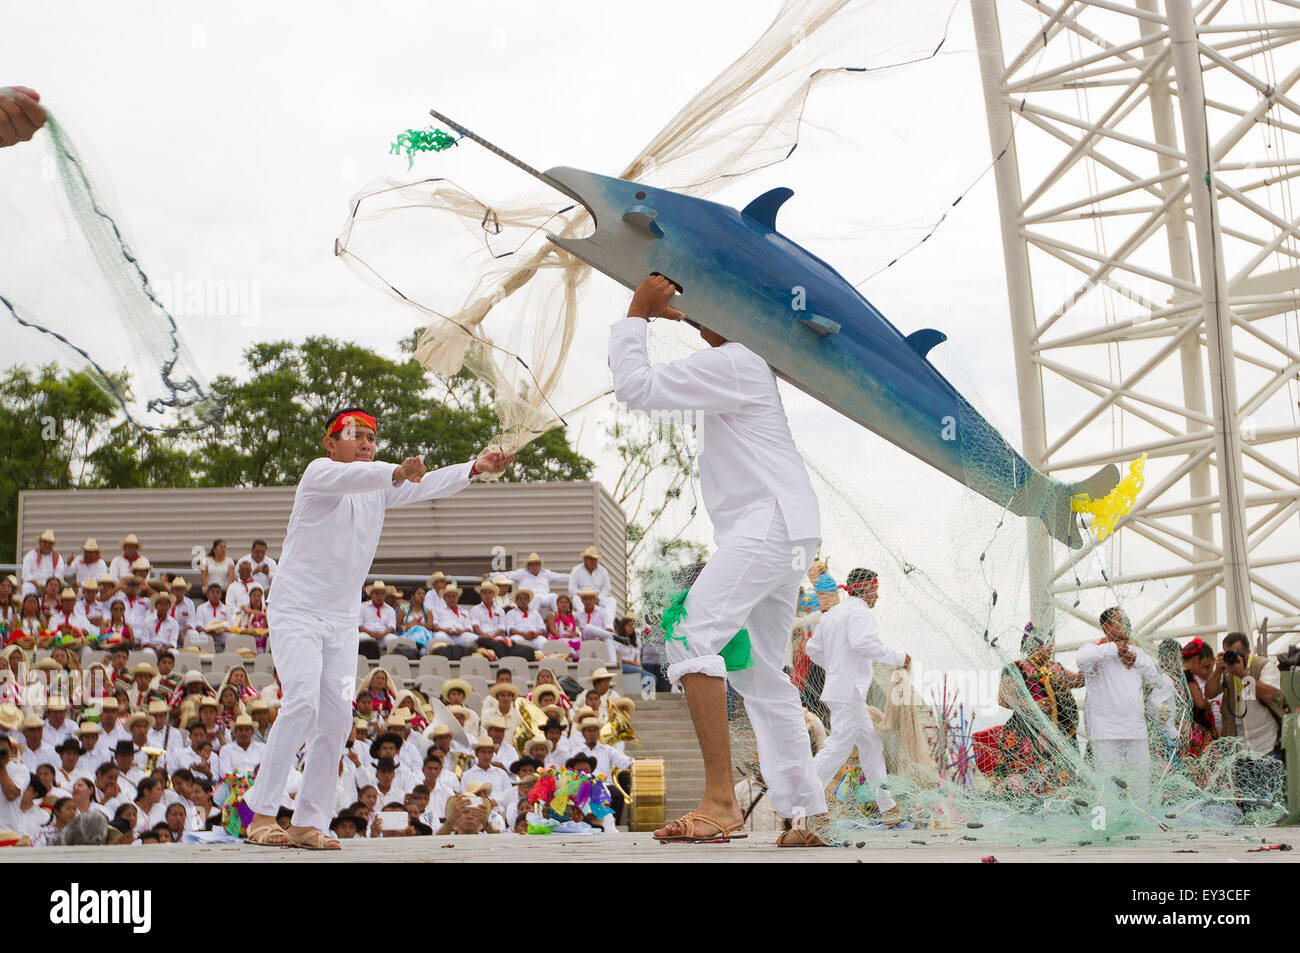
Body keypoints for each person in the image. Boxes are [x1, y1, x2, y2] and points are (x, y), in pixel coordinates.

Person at [609, 275, 825, 845]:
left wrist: (638, 313)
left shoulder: (737, 360)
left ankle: (720, 800)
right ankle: (803, 814)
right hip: (784, 529)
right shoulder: (743, 365)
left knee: (687, 636)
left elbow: (635, 387)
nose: (692, 306)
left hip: (770, 524)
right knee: (758, 671)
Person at [241, 407, 512, 850]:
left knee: (337, 716)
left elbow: (426, 484)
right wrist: (398, 470)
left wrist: (475, 468)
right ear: (330, 444)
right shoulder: (319, 474)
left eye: (371, 436)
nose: (366, 442)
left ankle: (308, 821)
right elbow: (367, 477)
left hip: (343, 618)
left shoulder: (377, 489)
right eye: (355, 435)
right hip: (296, 610)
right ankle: (261, 815)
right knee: (303, 700)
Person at [1076, 608, 1174, 809]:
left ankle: (1140, 827)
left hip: (1136, 730)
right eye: (1121, 620)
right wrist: (1114, 649)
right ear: (1107, 626)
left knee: (1140, 786)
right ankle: (1106, 829)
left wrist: (1135, 659)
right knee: (1107, 787)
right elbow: (1081, 659)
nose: (1127, 623)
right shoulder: (1096, 651)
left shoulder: (1137, 652)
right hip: (1106, 732)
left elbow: (1156, 680)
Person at [568, 546, 614, 615]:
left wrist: (598, 597)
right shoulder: (576, 570)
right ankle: (584, 618)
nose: (593, 561)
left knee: (612, 601)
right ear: (585, 560)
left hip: (597, 598)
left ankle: (609, 624)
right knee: (575, 600)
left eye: (595, 559)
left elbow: (606, 589)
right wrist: (585, 596)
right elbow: (572, 589)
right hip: (582, 598)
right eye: (591, 559)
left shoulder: (603, 571)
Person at [357, 580, 396, 658]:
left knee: (394, 640)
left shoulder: (390, 609)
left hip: (384, 636)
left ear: (385, 595)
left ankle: (390, 660)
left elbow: (392, 627)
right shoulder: (363, 607)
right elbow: (359, 625)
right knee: (361, 637)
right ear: (371, 594)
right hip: (367, 634)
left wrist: (383, 634)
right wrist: (371, 633)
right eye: (377, 593)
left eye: (382, 594)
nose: (379, 596)